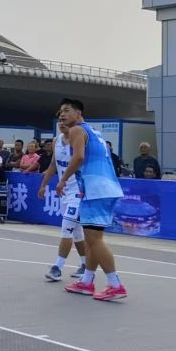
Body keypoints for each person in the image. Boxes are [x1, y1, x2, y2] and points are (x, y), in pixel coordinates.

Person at [55, 99, 127, 301]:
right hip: (105, 188)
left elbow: (78, 157)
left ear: (78, 113)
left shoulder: (77, 130)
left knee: (95, 240)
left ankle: (115, 285)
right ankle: (86, 282)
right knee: (92, 239)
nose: (62, 115)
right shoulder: (93, 132)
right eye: (60, 112)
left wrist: (63, 179)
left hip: (95, 189)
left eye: (66, 110)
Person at [37, 123, 87, 282]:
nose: (62, 123)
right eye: (60, 119)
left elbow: (81, 159)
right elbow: (53, 164)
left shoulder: (78, 139)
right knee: (77, 232)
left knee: (66, 229)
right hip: (64, 192)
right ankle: (85, 265)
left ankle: (57, 268)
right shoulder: (56, 140)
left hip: (78, 191)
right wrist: (44, 185)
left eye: (66, 119)